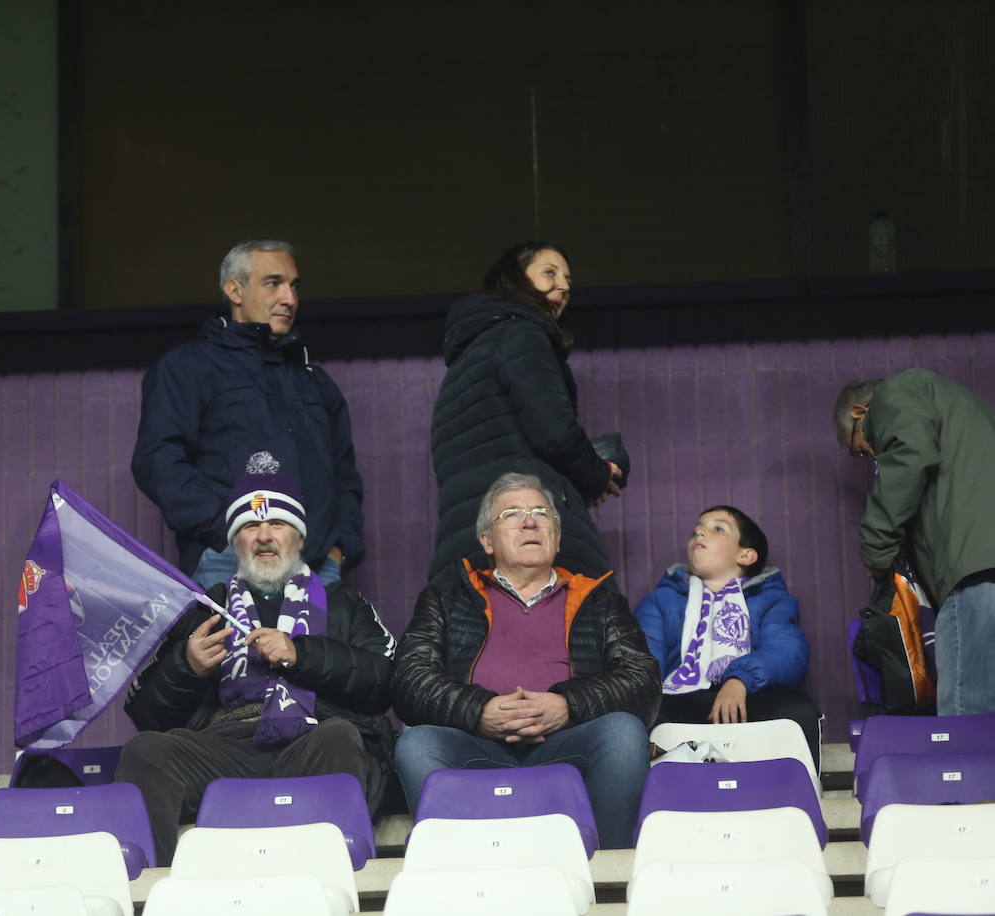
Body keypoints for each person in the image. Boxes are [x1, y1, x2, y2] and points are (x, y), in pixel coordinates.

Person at [115, 455, 396, 866]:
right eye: (250, 526)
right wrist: (185, 667)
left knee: (339, 738)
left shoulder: (343, 605)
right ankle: (163, 895)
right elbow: (145, 712)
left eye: (277, 524)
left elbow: (386, 682)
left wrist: (301, 655)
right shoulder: (204, 610)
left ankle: (330, 882)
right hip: (223, 748)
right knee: (145, 752)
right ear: (235, 543)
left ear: (299, 539)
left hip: (311, 741)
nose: (264, 536)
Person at [392, 472, 659, 849]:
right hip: (475, 744)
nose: (530, 520)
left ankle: (608, 872)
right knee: (417, 744)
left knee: (623, 735)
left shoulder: (599, 600)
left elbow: (642, 679)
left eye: (541, 512)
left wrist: (567, 705)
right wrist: (479, 711)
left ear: (558, 535)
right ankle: (458, 865)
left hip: (567, 743)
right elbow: (409, 679)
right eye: (512, 513)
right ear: (486, 540)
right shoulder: (445, 599)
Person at [131, 239, 364, 588]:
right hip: (230, 560)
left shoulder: (314, 381)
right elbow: (158, 461)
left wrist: (339, 549)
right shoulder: (187, 367)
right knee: (234, 647)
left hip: (315, 565)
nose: (289, 298)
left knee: (318, 646)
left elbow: (344, 476)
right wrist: (230, 530)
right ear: (234, 290)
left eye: (294, 286)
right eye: (273, 284)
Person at [429, 241, 622, 584]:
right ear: (514, 279)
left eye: (567, 280)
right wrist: (598, 474)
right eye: (549, 273)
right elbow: (555, 433)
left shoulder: (470, 355)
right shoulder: (523, 333)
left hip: (474, 536)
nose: (562, 285)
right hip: (528, 533)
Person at [834, 369, 995, 716]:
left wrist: (876, 551)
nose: (873, 458)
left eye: (863, 450)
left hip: (977, 567)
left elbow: (908, 458)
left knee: (968, 710)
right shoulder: (970, 413)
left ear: (860, 413)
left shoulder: (899, 392)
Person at [633, 506, 822, 768]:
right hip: (679, 698)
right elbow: (644, 662)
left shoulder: (773, 599)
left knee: (797, 712)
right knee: (639, 718)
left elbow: (787, 650)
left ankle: (791, 796)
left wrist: (739, 680)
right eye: (697, 528)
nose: (700, 531)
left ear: (745, 555)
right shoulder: (660, 600)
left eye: (717, 528)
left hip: (747, 695)